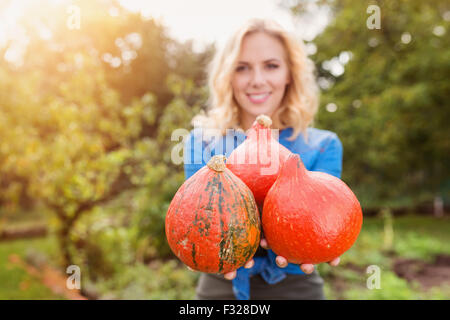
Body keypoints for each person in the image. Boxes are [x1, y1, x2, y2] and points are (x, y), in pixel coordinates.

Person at [183, 18, 342, 300]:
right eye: (242, 68)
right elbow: (197, 223)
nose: (257, 80)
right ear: (228, 76)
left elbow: (324, 217)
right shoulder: (201, 143)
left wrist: (324, 239)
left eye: (271, 65)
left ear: (289, 74)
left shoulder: (323, 145)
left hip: (297, 287)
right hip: (221, 286)